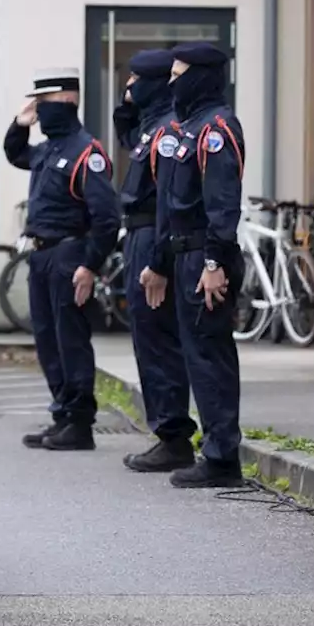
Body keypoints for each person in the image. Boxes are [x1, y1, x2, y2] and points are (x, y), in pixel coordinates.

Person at [140, 42, 245, 489]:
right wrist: (159, 261)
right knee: (196, 356)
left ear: (201, 76)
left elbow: (222, 204)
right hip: (183, 257)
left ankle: (223, 458)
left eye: (179, 74)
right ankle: (214, 451)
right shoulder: (189, 129)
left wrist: (214, 261)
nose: (171, 83)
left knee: (209, 358)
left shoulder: (217, 129)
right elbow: (172, 206)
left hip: (206, 259)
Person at [5, 69, 121, 452]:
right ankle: (62, 415)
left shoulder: (87, 153)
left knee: (70, 340)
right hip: (41, 255)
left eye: (43, 104)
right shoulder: (50, 148)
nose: (37, 111)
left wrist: (90, 264)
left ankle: (79, 422)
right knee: (47, 339)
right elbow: (16, 154)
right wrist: (20, 126)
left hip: (70, 255)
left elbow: (106, 218)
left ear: (67, 102)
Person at [113, 50, 197, 473]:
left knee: (158, 341)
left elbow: (168, 204)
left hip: (152, 239)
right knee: (148, 340)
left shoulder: (166, 132)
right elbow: (129, 137)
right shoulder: (151, 127)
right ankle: (169, 434)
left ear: (155, 83)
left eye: (134, 80)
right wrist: (126, 107)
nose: (128, 87)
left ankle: (174, 437)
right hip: (141, 237)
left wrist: (159, 262)